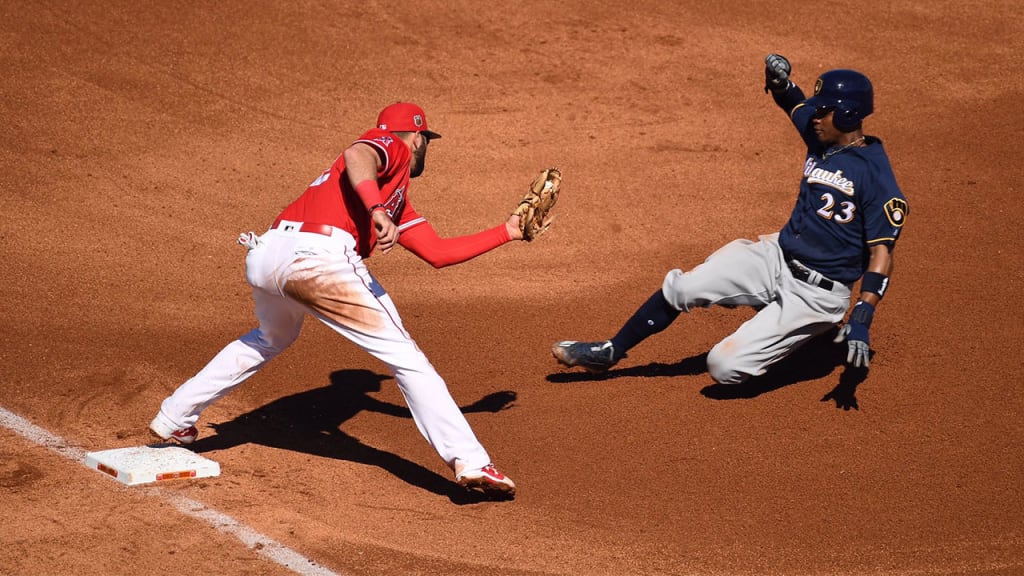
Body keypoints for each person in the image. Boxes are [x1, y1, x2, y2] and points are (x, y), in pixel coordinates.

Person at [150, 102, 525, 498]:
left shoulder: (396, 197)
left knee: (270, 337)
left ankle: (175, 415)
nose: (422, 147)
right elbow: (356, 154)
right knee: (407, 360)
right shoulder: (392, 149)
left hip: (268, 253)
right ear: (417, 137)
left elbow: (438, 253)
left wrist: (508, 231)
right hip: (318, 259)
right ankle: (470, 461)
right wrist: (377, 210)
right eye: (425, 141)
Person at [552, 54, 909, 386]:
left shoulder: (878, 180)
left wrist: (863, 314)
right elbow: (794, 105)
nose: (813, 118)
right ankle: (611, 351)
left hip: (816, 294)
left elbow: (882, 255)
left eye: (823, 112)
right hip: (777, 256)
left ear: (846, 116)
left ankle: (808, 335)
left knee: (723, 368)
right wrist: (782, 84)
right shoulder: (822, 139)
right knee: (683, 288)